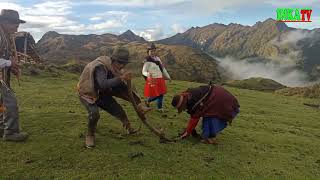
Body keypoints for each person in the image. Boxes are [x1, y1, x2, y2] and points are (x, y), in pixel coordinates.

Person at [77, 47, 151, 148]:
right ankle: (90, 134)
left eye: (124, 63)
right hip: (88, 93)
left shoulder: (114, 68)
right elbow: (102, 84)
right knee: (94, 114)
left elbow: (124, 87)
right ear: (113, 60)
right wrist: (121, 78)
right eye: (119, 63)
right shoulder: (100, 67)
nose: (121, 66)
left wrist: (138, 102)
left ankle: (129, 127)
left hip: (102, 94)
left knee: (118, 109)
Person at [171, 84, 240, 144]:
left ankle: (210, 138)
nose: (182, 110)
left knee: (211, 117)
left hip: (220, 100)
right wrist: (189, 130)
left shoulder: (194, 101)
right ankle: (207, 136)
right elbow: (194, 113)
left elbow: (194, 118)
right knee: (207, 115)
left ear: (183, 104)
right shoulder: (187, 95)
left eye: (181, 108)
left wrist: (187, 132)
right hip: (216, 94)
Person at [0, 9, 28, 141]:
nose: (17, 27)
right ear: (4, 22)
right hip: (1, 79)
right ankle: (10, 132)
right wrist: (9, 63)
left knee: (3, 103)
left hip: (3, 77)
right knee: (11, 102)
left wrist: (12, 66)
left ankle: (2, 127)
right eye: (14, 24)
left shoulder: (5, 35)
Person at [142, 43, 171, 112]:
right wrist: (147, 74)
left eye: (154, 51)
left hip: (160, 79)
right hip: (153, 79)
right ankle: (149, 101)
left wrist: (168, 77)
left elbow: (163, 68)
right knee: (158, 94)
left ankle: (159, 108)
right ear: (148, 52)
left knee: (161, 94)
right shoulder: (147, 61)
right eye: (151, 51)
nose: (153, 52)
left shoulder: (158, 59)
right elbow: (143, 71)